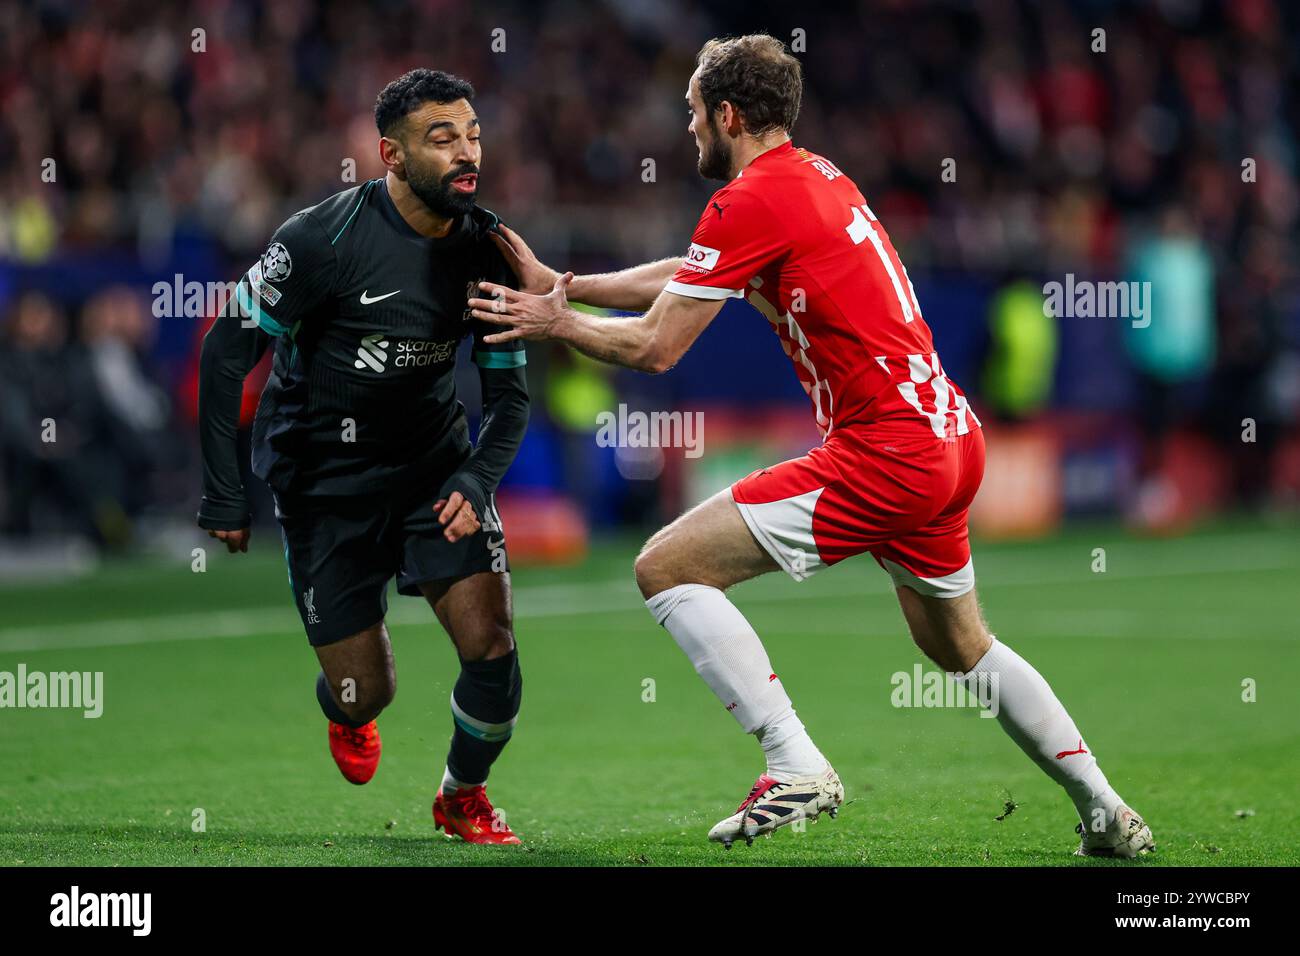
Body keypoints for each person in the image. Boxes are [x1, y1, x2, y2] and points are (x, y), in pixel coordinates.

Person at [469, 35, 1153, 856]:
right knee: (959, 644)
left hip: (887, 450)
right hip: (948, 437)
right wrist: (569, 286)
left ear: (726, 114)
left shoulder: (750, 200)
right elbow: (688, 271)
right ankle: (1106, 811)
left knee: (665, 566)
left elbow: (656, 348)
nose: (688, 129)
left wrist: (554, 323)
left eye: (693, 113)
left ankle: (794, 761)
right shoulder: (816, 175)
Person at [197, 69, 529, 845]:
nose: (466, 151)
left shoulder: (491, 250)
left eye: (473, 133)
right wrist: (224, 492)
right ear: (391, 155)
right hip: (325, 485)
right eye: (441, 138)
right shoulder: (320, 240)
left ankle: (462, 797)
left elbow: (510, 400)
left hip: (432, 471)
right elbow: (223, 355)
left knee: (492, 643)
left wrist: (477, 478)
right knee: (362, 690)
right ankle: (345, 713)